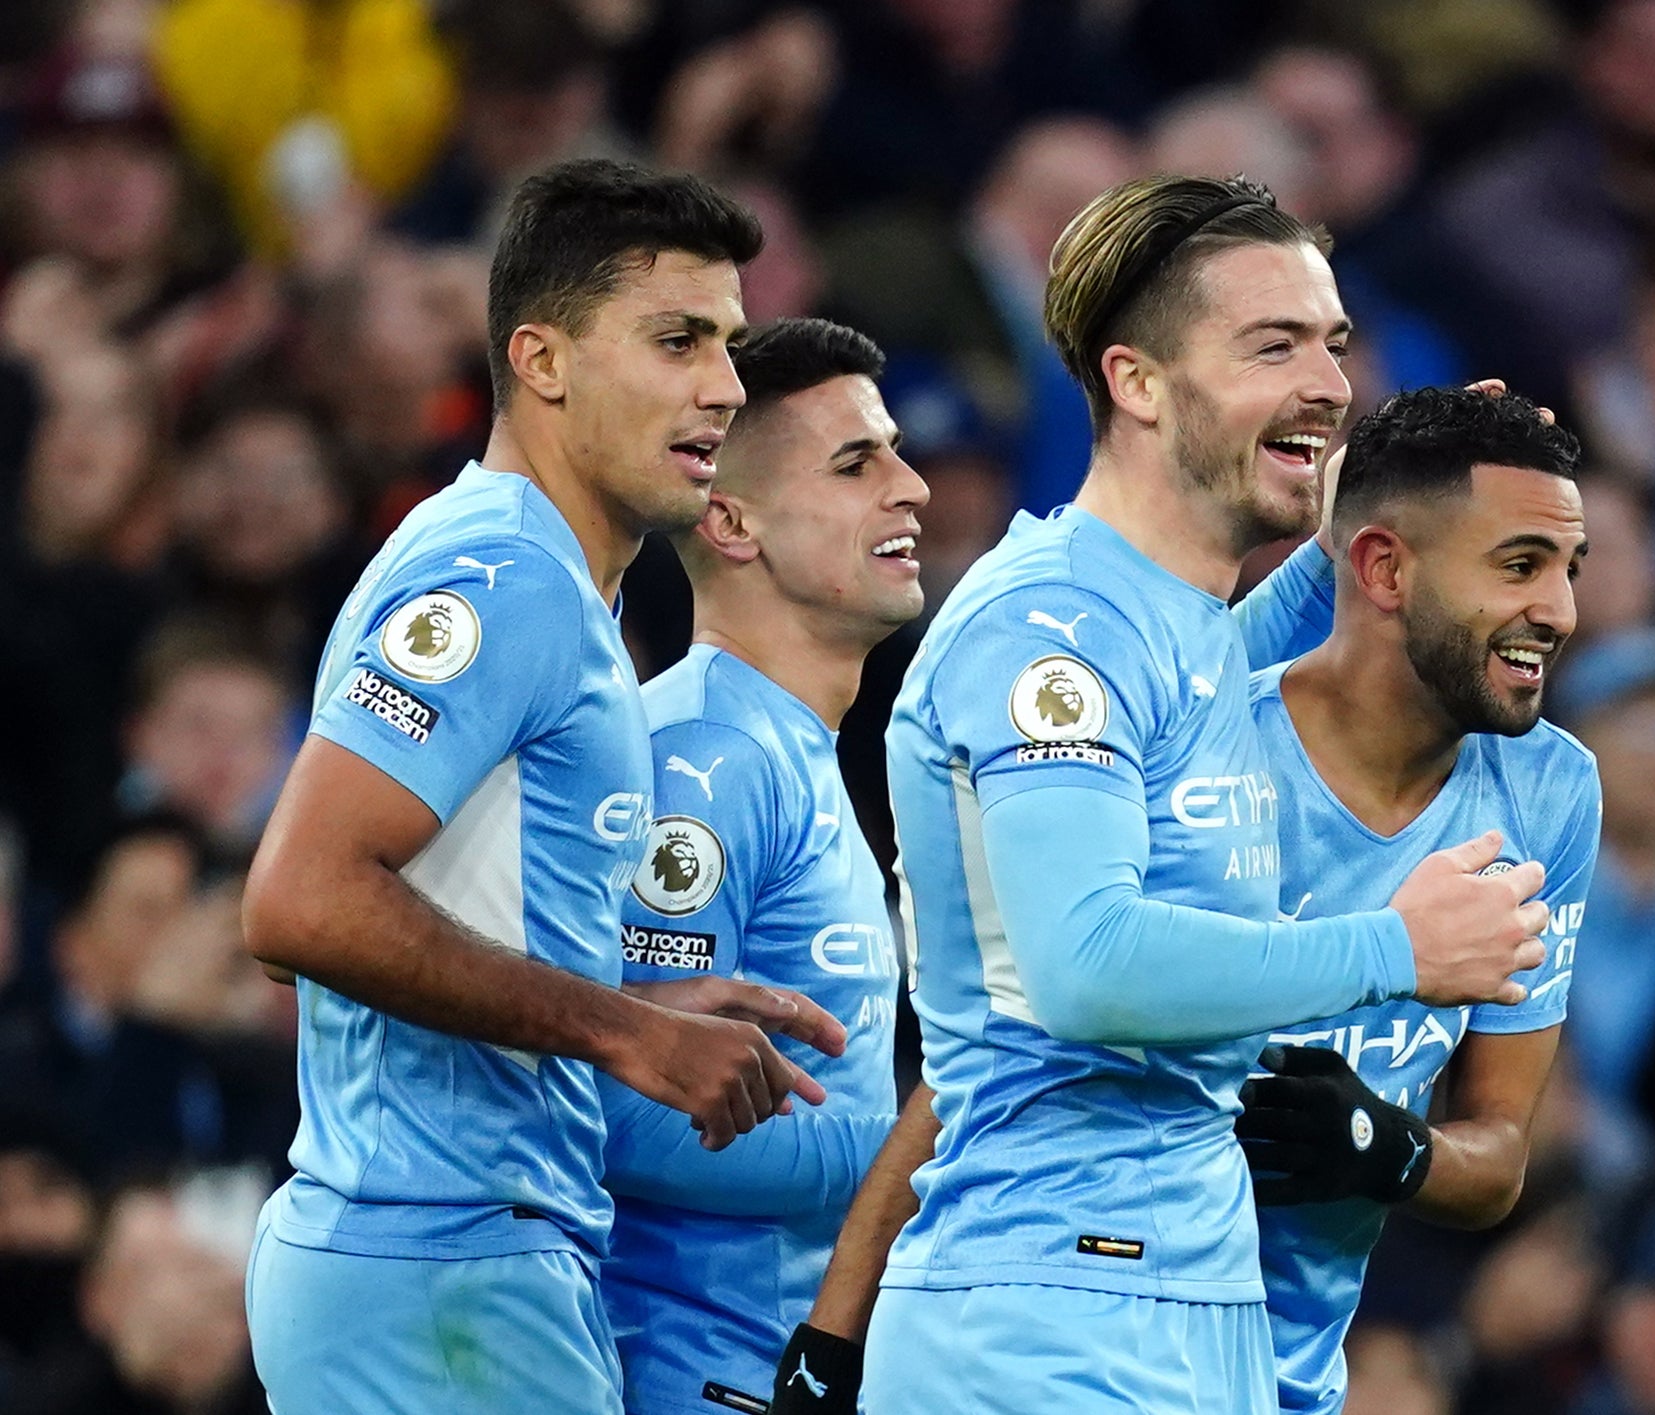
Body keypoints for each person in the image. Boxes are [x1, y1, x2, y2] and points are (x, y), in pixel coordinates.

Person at [822, 174, 1551, 1415]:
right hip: (1047, 1310)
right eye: (1273, 345)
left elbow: (1308, 589)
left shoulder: (1185, 625)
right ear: (1138, 382)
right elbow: (1086, 964)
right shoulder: (1053, 625)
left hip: (1187, 1303)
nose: (1328, 380)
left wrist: (1401, 484)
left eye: (1332, 343)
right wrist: (1393, 946)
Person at [238, 158, 832, 1415]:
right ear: (543, 359)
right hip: (441, 1257)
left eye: (728, 343)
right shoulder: (504, 579)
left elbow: (371, 922)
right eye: (676, 340)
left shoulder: (551, 581)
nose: (725, 386)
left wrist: (622, 987)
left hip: (447, 1252)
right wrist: (631, 1032)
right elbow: (295, 905)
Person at [1234, 386, 1600, 1414]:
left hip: (1291, 1380)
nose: (1562, 612)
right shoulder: (1206, 742)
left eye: (1571, 569)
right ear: (1386, 568)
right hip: (1088, 1338)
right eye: (1520, 564)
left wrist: (1386, 1145)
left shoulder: (1551, 790)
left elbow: (1498, 1157)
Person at [594, 317, 922, 1414]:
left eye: (895, 451)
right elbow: (621, 1105)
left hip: (770, 1365)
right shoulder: (704, 759)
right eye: (855, 462)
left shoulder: (786, 748)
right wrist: (927, 1155)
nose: (911, 487)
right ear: (732, 521)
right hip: (682, 1364)